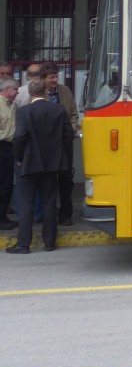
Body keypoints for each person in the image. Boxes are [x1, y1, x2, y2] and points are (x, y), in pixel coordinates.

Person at [7, 75, 73, 254]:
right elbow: (68, 135)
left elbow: (19, 137)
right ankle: (49, 242)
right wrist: (60, 154)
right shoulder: (58, 110)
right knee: (49, 201)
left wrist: (18, 156)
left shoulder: (23, 112)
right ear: (45, 92)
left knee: (26, 202)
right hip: (51, 163)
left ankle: (23, 244)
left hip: (28, 162)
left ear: (29, 92)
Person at [40, 63, 79, 226]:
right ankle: (47, 216)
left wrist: (70, 131)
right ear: (43, 79)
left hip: (64, 143)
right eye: (52, 77)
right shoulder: (38, 93)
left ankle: (65, 215)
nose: (55, 80)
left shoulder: (65, 91)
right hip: (46, 145)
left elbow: (74, 115)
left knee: (65, 181)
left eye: (57, 76)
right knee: (47, 181)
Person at [0, 76, 17, 229]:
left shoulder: (11, 105)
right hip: (2, 146)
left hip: (9, 147)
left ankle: (3, 215)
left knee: (7, 184)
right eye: (15, 90)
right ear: (7, 90)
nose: (17, 93)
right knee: (3, 183)